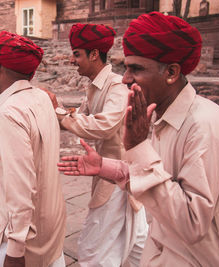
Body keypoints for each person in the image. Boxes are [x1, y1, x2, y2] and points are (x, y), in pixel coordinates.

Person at [58, 11, 219, 266]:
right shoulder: (166, 116)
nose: (125, 79)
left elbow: (192, 222)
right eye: (126, 68)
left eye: (135, 69)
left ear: (171, 72)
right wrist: (105, 167)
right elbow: (163, 179)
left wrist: (138, 146)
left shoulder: (205, 126)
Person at [51, 23, 148, 266]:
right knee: (136, 242)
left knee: (94, 249)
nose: (73, 60)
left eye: (77, 54)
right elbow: (80, 118)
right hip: (113, 175)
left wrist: (59, 114)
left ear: (94, 54)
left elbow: (103, 126)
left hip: (118, 178)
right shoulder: (94, 87)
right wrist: (51, 110)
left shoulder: (115, 86)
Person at [0, 31, 66, 267]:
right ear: (31, 73)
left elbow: (21, 189)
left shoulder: (9, 113)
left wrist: (15, 253)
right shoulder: (44, 99)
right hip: (51, 234)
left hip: (22, 242)